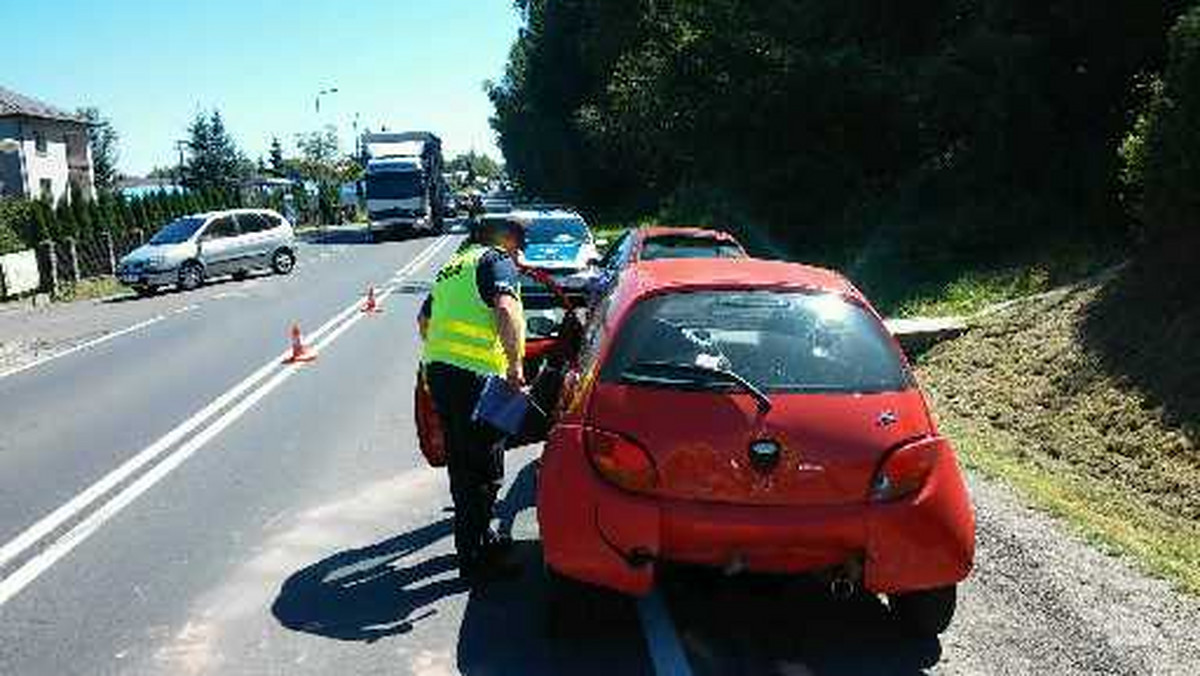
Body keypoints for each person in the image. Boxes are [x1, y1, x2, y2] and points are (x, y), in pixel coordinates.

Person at [418, 216, 527, 583]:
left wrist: (442, 354)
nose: (521, 254)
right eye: (519, 244)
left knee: (462, 464)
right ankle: (476, 557)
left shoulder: (454, 266)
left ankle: (478, 541)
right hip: (476, 379)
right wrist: (514, 366)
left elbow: (423, 319)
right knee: (484, 468)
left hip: (442, 375)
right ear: (505, 239)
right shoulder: (496, 260)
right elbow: (507, 311)